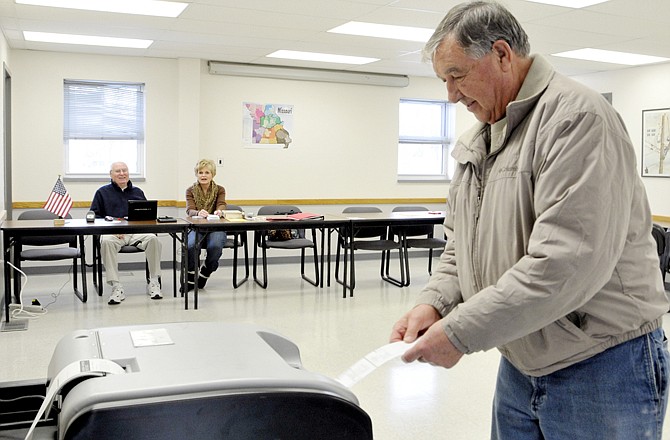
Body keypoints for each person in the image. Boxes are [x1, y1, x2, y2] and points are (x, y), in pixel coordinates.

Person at [389, 2, 670, 439]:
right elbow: (461, 244)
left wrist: (460, 333)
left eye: (457, 76)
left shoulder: (578, 120)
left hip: (603, 363)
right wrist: (436, 302)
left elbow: (565, 263)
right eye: (444, 80)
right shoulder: (479, 140)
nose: (451, 95)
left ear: (502, 53)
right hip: (522, 359)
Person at [90, 161, 163, 305]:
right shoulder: (102, 192)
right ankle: (116, 286)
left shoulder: (138, 192)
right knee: (105, 242)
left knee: (153, 239)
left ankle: (154, 282)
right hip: (114, 234)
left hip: (136, 233)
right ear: (111, 175)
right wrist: (112, 228)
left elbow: (147, 216)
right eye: (118, 171)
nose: (122, 173)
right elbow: (95, 217)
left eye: (124, 170)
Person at [184, 159, 227, 291]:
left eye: (207, 172)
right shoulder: (190, 190)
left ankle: (206, 271)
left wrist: (220, 210)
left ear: (212, 174)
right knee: (190, 246)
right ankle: (191, 275)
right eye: (200, 172)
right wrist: (198, 212)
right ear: (196, 174)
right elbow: (189, 210)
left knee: (215, 246)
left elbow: (222, 203)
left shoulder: (220, 189)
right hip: (196, 227)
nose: (203, 175)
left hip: (216, 227)